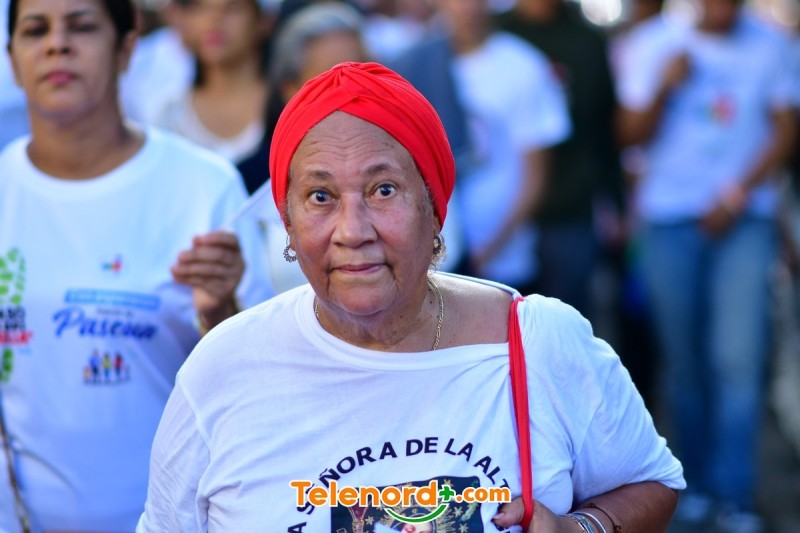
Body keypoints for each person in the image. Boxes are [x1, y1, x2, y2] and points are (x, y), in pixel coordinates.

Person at [138, 62, 684, 531]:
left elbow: (652, 484)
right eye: (320, 196)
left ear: (434, 206)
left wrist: (581, 527)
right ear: (288, 222)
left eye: (383, 190)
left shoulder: (537, 343)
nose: (353, 230)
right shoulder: (223, 367)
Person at [0, 0, 271, 530]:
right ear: (12, 59)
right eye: (36, 30)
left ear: (127, 49)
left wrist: (220, 309)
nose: (57, 44)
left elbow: (258, 379)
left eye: (82, 26)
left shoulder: (201, 185)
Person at [616, 0, 796, 531]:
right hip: (669, 220)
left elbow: (786, 129)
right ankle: (691, 485)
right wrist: (664, 87)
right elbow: (627, 135)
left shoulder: (772, 45)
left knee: (738, 358)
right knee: (684, 360)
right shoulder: (653, 43)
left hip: (744, 221)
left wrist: (735, 196)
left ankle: (735, 492)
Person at [392, 0, 571, 295]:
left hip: (506, 261)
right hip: (437, 261)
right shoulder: (417, 63)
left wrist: (490, 249)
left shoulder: (523, 66)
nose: (466, 7)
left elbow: (536, 175)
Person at [495, 0, 624, 319]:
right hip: (506, 211)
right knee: (504, 324)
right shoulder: (499, 33)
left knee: (566, 321)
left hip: (569, 207)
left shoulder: (587, 40)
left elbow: (605, 130)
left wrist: (617, 203)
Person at [153, 0, 276, 192]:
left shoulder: (286, 106)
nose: (214, 19)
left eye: (232, 8)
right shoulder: (170, 114)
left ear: (264, 20)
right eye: (201, 7)